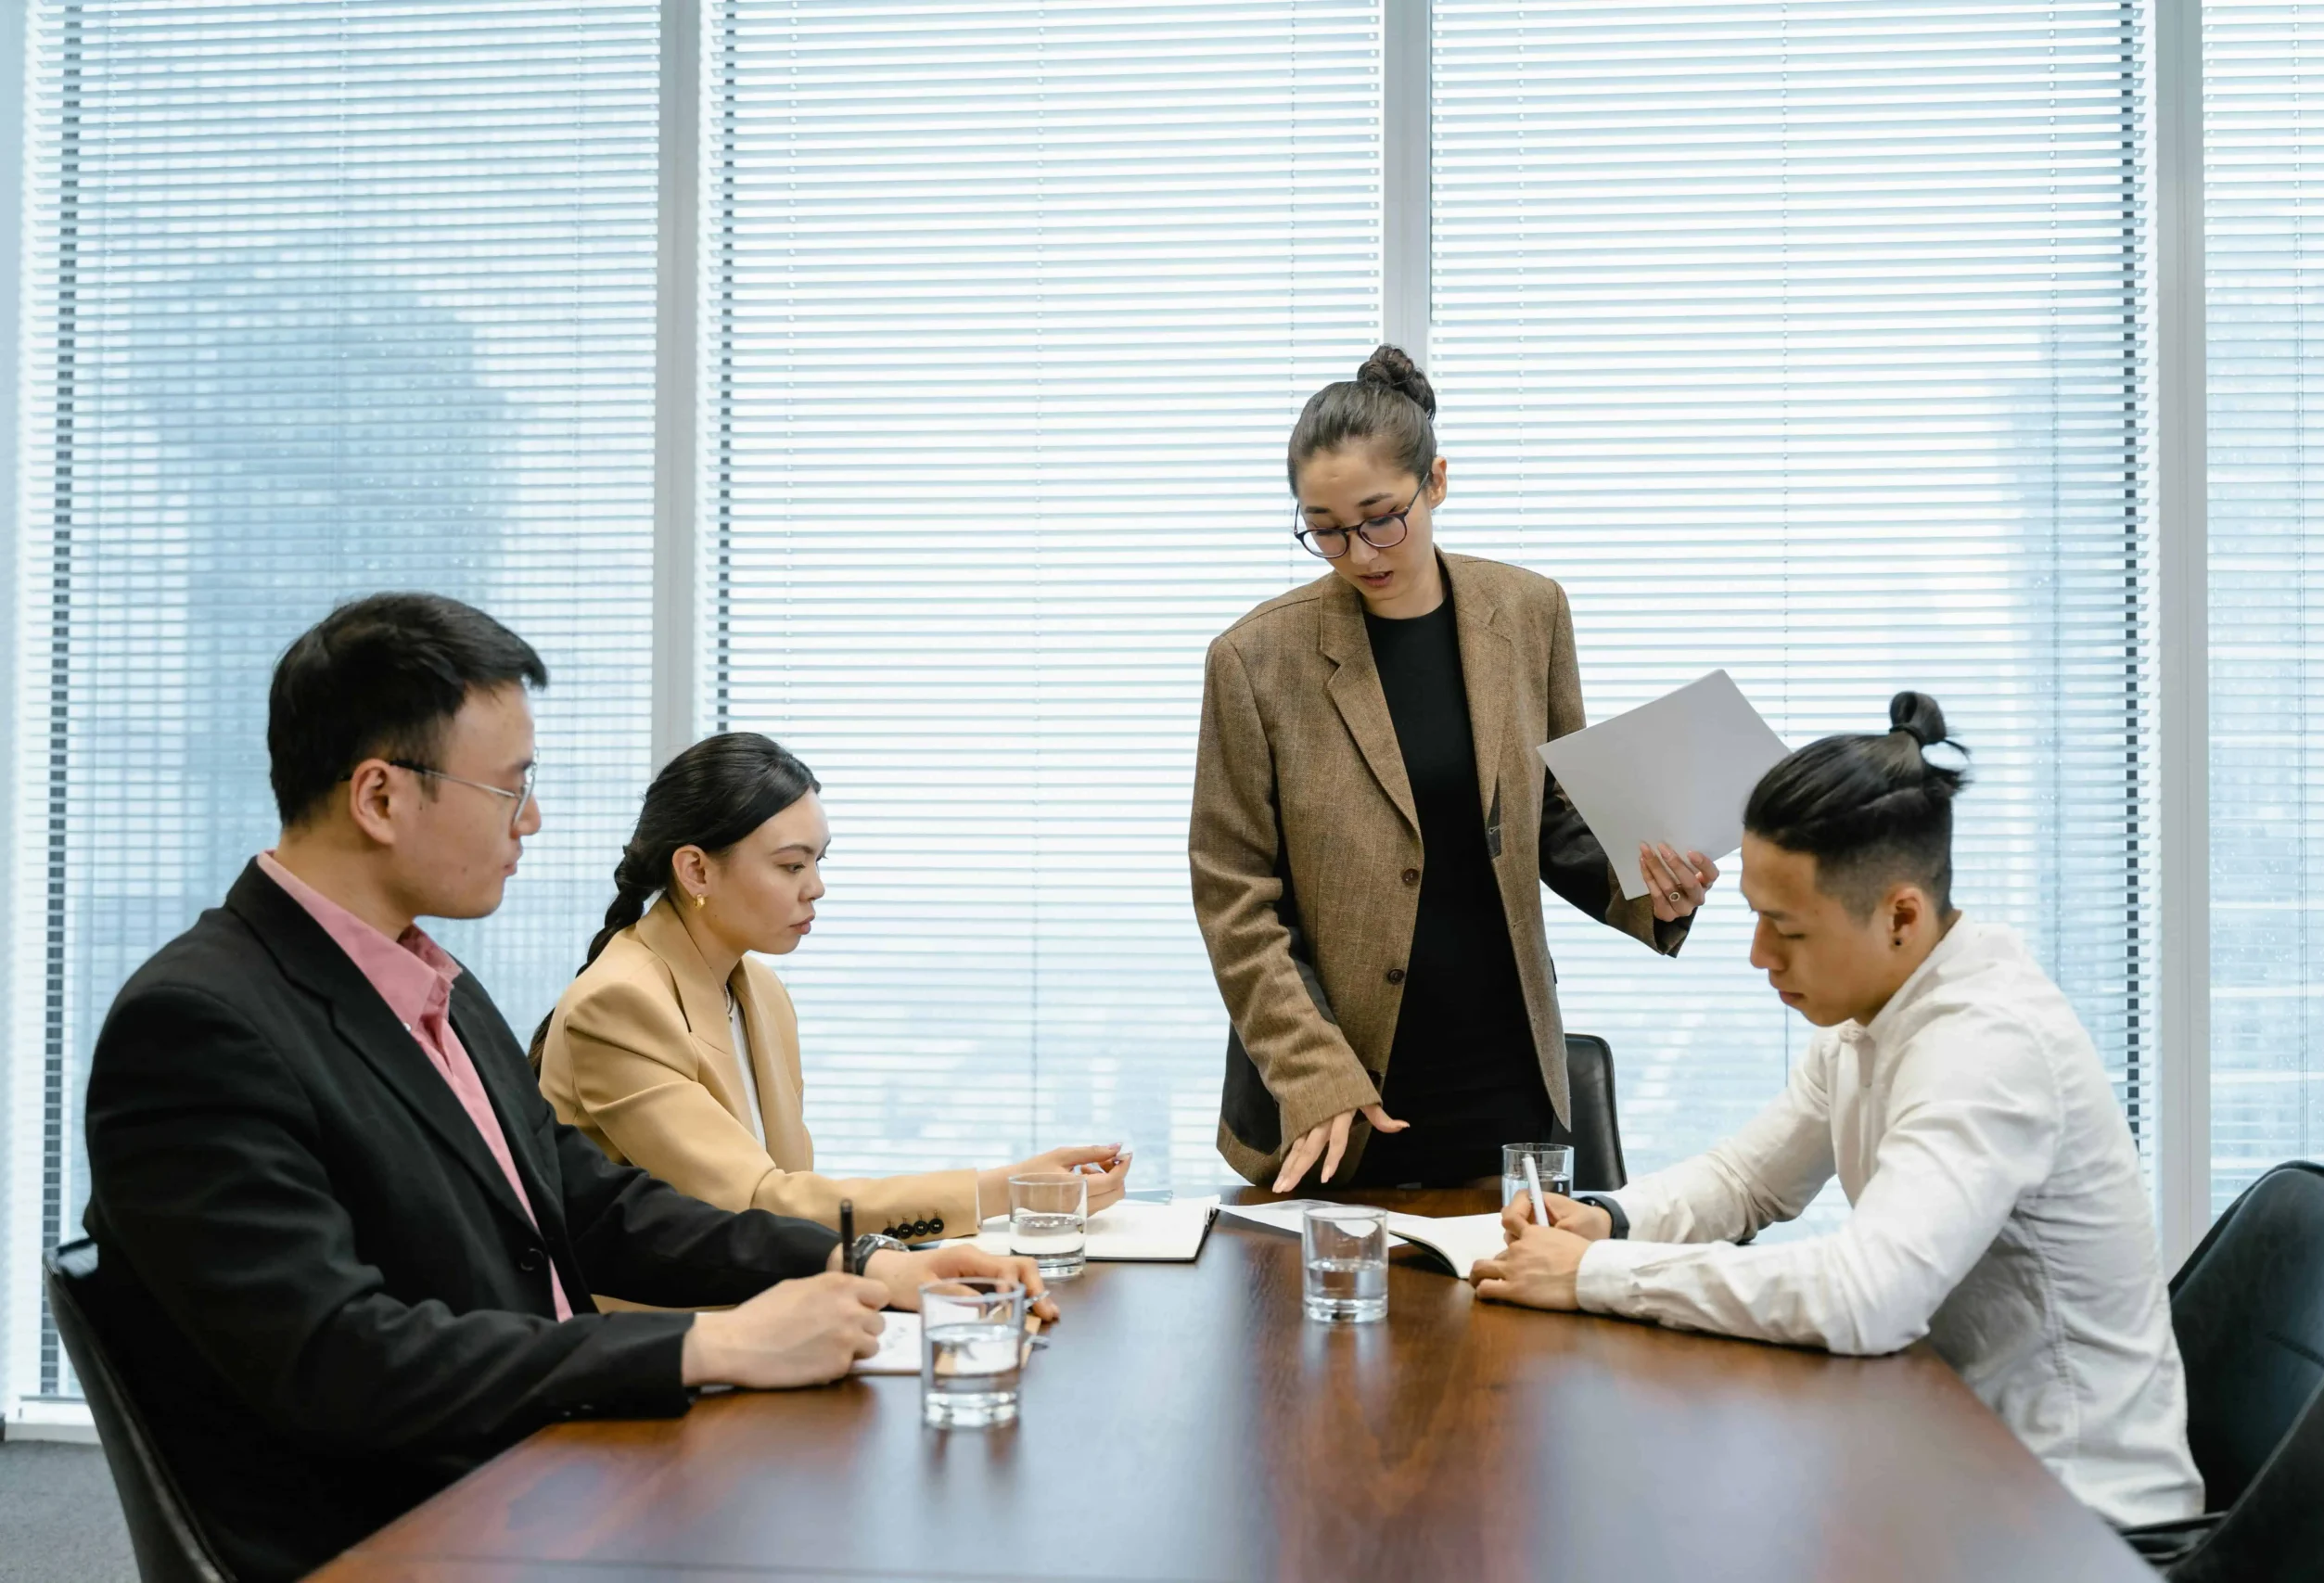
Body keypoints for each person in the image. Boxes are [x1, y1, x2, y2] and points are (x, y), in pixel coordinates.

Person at [79, 594, 1050, 1583]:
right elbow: (339, 1358)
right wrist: (703, 1348)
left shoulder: (438, 993)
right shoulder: (201, 1024)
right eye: (511, 789)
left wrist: (864, 1261)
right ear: (380, 798)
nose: (532, 821)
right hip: (424, 1531)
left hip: (546, 1473)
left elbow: (591, 1208)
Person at [1471, 692, 2203, 1526]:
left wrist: (1596, 1276)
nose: (1758, 955)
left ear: (1901, 915)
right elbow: (1747, 1181)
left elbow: (1865, 1297)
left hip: (2074, 1517)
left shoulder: (1986, 1049)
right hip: (1948, 1453)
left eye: (1787, 927)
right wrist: (1606, 1221)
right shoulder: (1880, 1006)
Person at [1191, 344, 1714, 1193]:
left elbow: (1555, 815)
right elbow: (1232, 889)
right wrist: (1312, 1069)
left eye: (1379, 515)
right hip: (1335, 1091)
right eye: (1323, 529)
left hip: (1502, 1069)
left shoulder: (1529, 610)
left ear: (1435, 482)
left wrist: (1651, 890)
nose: (1358, 551)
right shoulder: (1254, 659)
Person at [533, 731, 1129, 1246]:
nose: (816, 887)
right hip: (670, 1342)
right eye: (792, 866)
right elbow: (757, 1205)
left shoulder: (760, 991)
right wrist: (1007, 1189)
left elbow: (792, 1198)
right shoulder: (618, 1003)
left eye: (818, 862)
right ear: (696, 870)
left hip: (766, 1305)